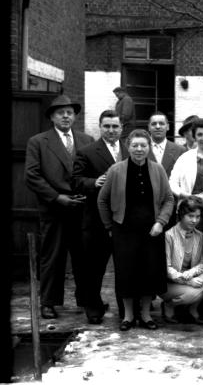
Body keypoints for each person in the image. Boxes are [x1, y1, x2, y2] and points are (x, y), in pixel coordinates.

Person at [97, 129, 175, 331]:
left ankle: (147, 314)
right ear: (128, 147)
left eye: (143, 145)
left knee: (150, 272)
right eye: (135, 145)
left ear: (149, 147)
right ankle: (129, 316)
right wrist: (109, 227)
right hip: (124, 231)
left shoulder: (158, 170)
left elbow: (168, 199)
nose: (139, 149)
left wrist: (160, 222)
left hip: (152, 232)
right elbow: (102, 200)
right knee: (126, 273)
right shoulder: (116, 170)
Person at [25, 95, 94, 319]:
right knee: (52, 257)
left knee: (83, 256)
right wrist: (56, 197)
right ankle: (49, 302)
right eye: (60, 112)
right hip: (54, 209)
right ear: (52, 117)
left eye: (70, 112)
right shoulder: (38, 142)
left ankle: (86, 299)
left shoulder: (86, 140)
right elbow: (32, 176)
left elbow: (91, 173)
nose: (66, 116)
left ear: (74, 116)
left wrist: (85, 194)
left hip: (81, 208)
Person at [71, 109, 127, 324]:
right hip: (96, 221)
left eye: (115, 126)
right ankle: (93, 308)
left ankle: (125, 311)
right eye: (107, 126)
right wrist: (93, 183)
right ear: (100, 127)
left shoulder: (131, 150)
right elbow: (75, 180)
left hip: (123, 221)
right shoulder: (87, 151)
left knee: (124, 268)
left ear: (121, 128)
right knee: (94, 269)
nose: (111, 130)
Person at [161, 196, 203, 325]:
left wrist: (191, 273)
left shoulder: (200, 236)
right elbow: (166, 268)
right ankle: (169, 305)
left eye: (197, 217)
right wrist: (188, 280)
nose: (194, 220)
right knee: (195, 293)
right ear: (181, 215)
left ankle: (192, 309)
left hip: (191, 278)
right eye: (190, 216)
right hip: (170, 283)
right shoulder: (169, 235)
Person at [147, 111, 187, 177]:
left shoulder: (180, 150)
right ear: (149, 127)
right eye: (154, 124)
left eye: (161, 123)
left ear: (168, 127)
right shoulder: (140, 149)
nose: (157, 126)